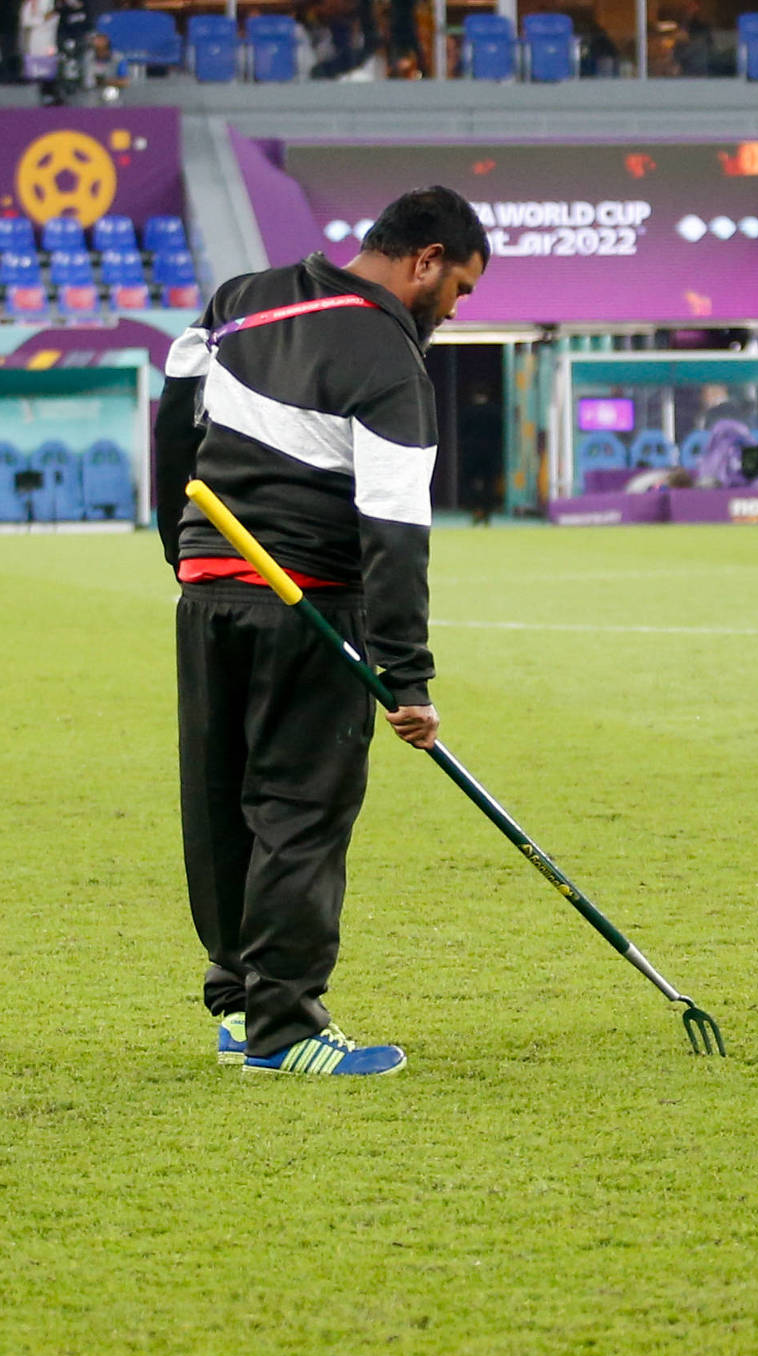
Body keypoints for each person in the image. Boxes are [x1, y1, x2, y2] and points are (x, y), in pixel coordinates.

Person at [154, 186, 488, 1079]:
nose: (452, 314)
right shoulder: (390, 362)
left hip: (210, 590)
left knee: (222, 802)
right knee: (298, 810)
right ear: (424, 261)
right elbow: (395, 533)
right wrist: (407, 680)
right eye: (457, 290)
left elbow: (173, 415)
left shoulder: (239, 298)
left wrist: (180, 549)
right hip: (311, 604)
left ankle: (240, 1006)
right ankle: (288, 1027)